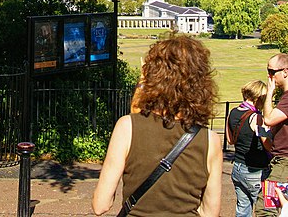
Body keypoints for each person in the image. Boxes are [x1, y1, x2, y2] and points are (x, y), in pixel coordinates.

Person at [92, 34, 223, 217]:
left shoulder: (127, 127)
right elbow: (210, 212)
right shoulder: (210, 140)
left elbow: (100, 205)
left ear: (153, 76)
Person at [226, 80, 271, 217]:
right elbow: (268, 145)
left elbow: (230, 140)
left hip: (238, 168)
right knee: (265, 210)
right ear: (258, 98)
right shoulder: (257, 118)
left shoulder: (232, 113)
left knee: (243, 208)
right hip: (256, 171)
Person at [255, 53, 288, 217]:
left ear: (285, 71)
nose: (269, 76)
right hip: (279, 162)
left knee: (265, 209)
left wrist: (269, 93)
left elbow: (268, 119)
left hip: (284, 165)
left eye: (271, 71)